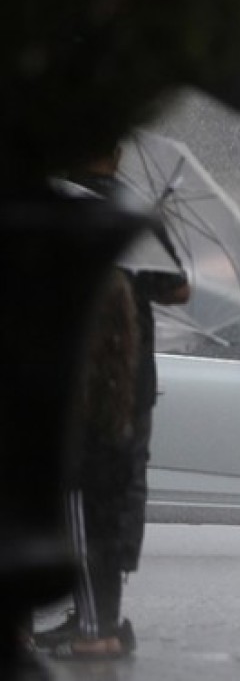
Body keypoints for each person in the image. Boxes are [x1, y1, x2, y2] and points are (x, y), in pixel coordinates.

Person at [35, 145, 190, 653]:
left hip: (72, 379)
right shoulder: (135, 214)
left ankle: (90, 622)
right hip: (130, 378)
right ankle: (99, 618)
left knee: (75, 494)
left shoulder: (57, 210)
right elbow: (178, 290)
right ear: (119, 152)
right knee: (118, 493)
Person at [50, 271, 138, 659]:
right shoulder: (118, 341)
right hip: (111, 449)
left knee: (82, 545)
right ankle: (104, 626)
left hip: (82, 459)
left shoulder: (80, 346)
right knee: (105, 541)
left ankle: (92, 633)